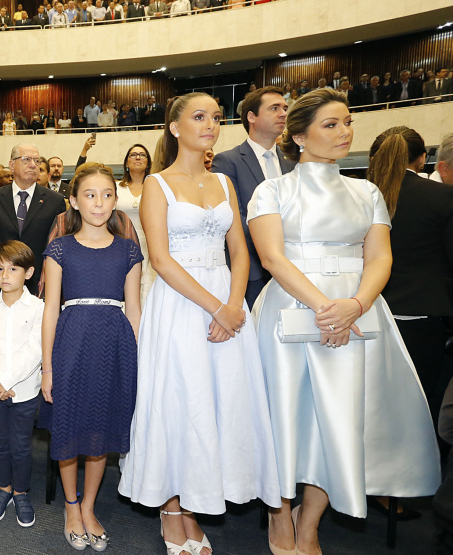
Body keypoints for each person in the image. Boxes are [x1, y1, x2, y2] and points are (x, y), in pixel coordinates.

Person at [247, 89, 441, 555]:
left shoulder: (367, 190)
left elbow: (380, 259)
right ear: (299, 135)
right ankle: (280, 518)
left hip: (358, 315)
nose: (345, 132)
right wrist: (324, 307)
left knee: (342, 420)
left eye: (348, 122)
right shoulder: (272, 189)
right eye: (331, 124)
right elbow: (273, 257)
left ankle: (310, 523)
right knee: (285, 418)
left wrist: (353, 305)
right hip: (292, 311)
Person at [118, 92, 280, 555]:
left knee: (221, 401)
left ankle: (195, 504)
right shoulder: (156, 184)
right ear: (175, 127)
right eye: (199, 116)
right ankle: (172, 509)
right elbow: (163, 260)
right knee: (178, 401)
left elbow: (242, 251)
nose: (211, 123)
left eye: (214, 116)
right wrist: (217, 308)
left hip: (228, 303)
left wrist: (234, 305)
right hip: (181, 304)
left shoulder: (225, 182)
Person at [41, 162, 141, 551]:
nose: (99, 203)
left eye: (107, 195)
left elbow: (133, 309)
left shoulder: (129, 249)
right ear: (74, 201)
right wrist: (47, 366)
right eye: (90, 195)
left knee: (100, 433)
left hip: (114, 343)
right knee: (69, 428)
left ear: (116, 201)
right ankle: (70, 506)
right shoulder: (59, 247)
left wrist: (134, 362)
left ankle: (89, 506)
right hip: (71, 342)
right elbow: (51, 309)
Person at [370, 126, 453, 442]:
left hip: (366, 315)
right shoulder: (443, 197)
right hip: (422, 321)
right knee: (421, 414)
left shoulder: (359, 195)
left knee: (374, 408)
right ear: (423, 158)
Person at [0, 240, 43, 528]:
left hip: (24, 389)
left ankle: (21, 492)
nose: (5, 275)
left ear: (28, 273)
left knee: (21, 446)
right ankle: (4, 488)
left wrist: (7, 380)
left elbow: (36, 350)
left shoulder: (39, 307)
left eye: (13, 269)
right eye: (0, 269)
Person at [212, 86, 294, 308]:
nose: (283, 114)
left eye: (285, 108)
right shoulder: (228, 162)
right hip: (252, 271)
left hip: (295, 268)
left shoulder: (293, 164)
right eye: (274, 108)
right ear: (252, 117)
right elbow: (233, 219)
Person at [0, 144, 66, 296]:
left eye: (37, 161)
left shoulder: (55, 201)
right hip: (1, 283)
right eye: (26, 159)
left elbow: (60, 248)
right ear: (12, 165)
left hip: (41, 285)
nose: (33, 165)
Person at [115, 144, 156, 302]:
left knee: (147, 292)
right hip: (122, 244)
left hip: (150, 244)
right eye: (133, 155)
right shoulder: (116, 187)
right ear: (126, 163)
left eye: (142, 155)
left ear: (148, 162)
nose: (138, 157)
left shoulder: (155, 186)